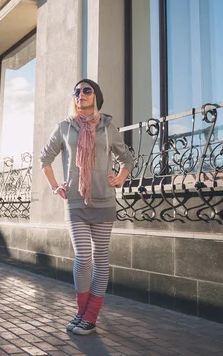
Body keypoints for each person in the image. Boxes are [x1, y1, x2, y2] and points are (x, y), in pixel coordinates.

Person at [39, 79, 133, 335]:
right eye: (77, 92)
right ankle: (82, 313)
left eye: (86, 90)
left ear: (96, 96)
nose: (81, 94)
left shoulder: (108, 127)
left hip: (104, 201)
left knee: (100, 258)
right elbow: (45, 158)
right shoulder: (65, 127)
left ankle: (90, 316)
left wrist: (120, 178)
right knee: (83, 255)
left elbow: (127, 158)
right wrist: (54, 186)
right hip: (76, 201)